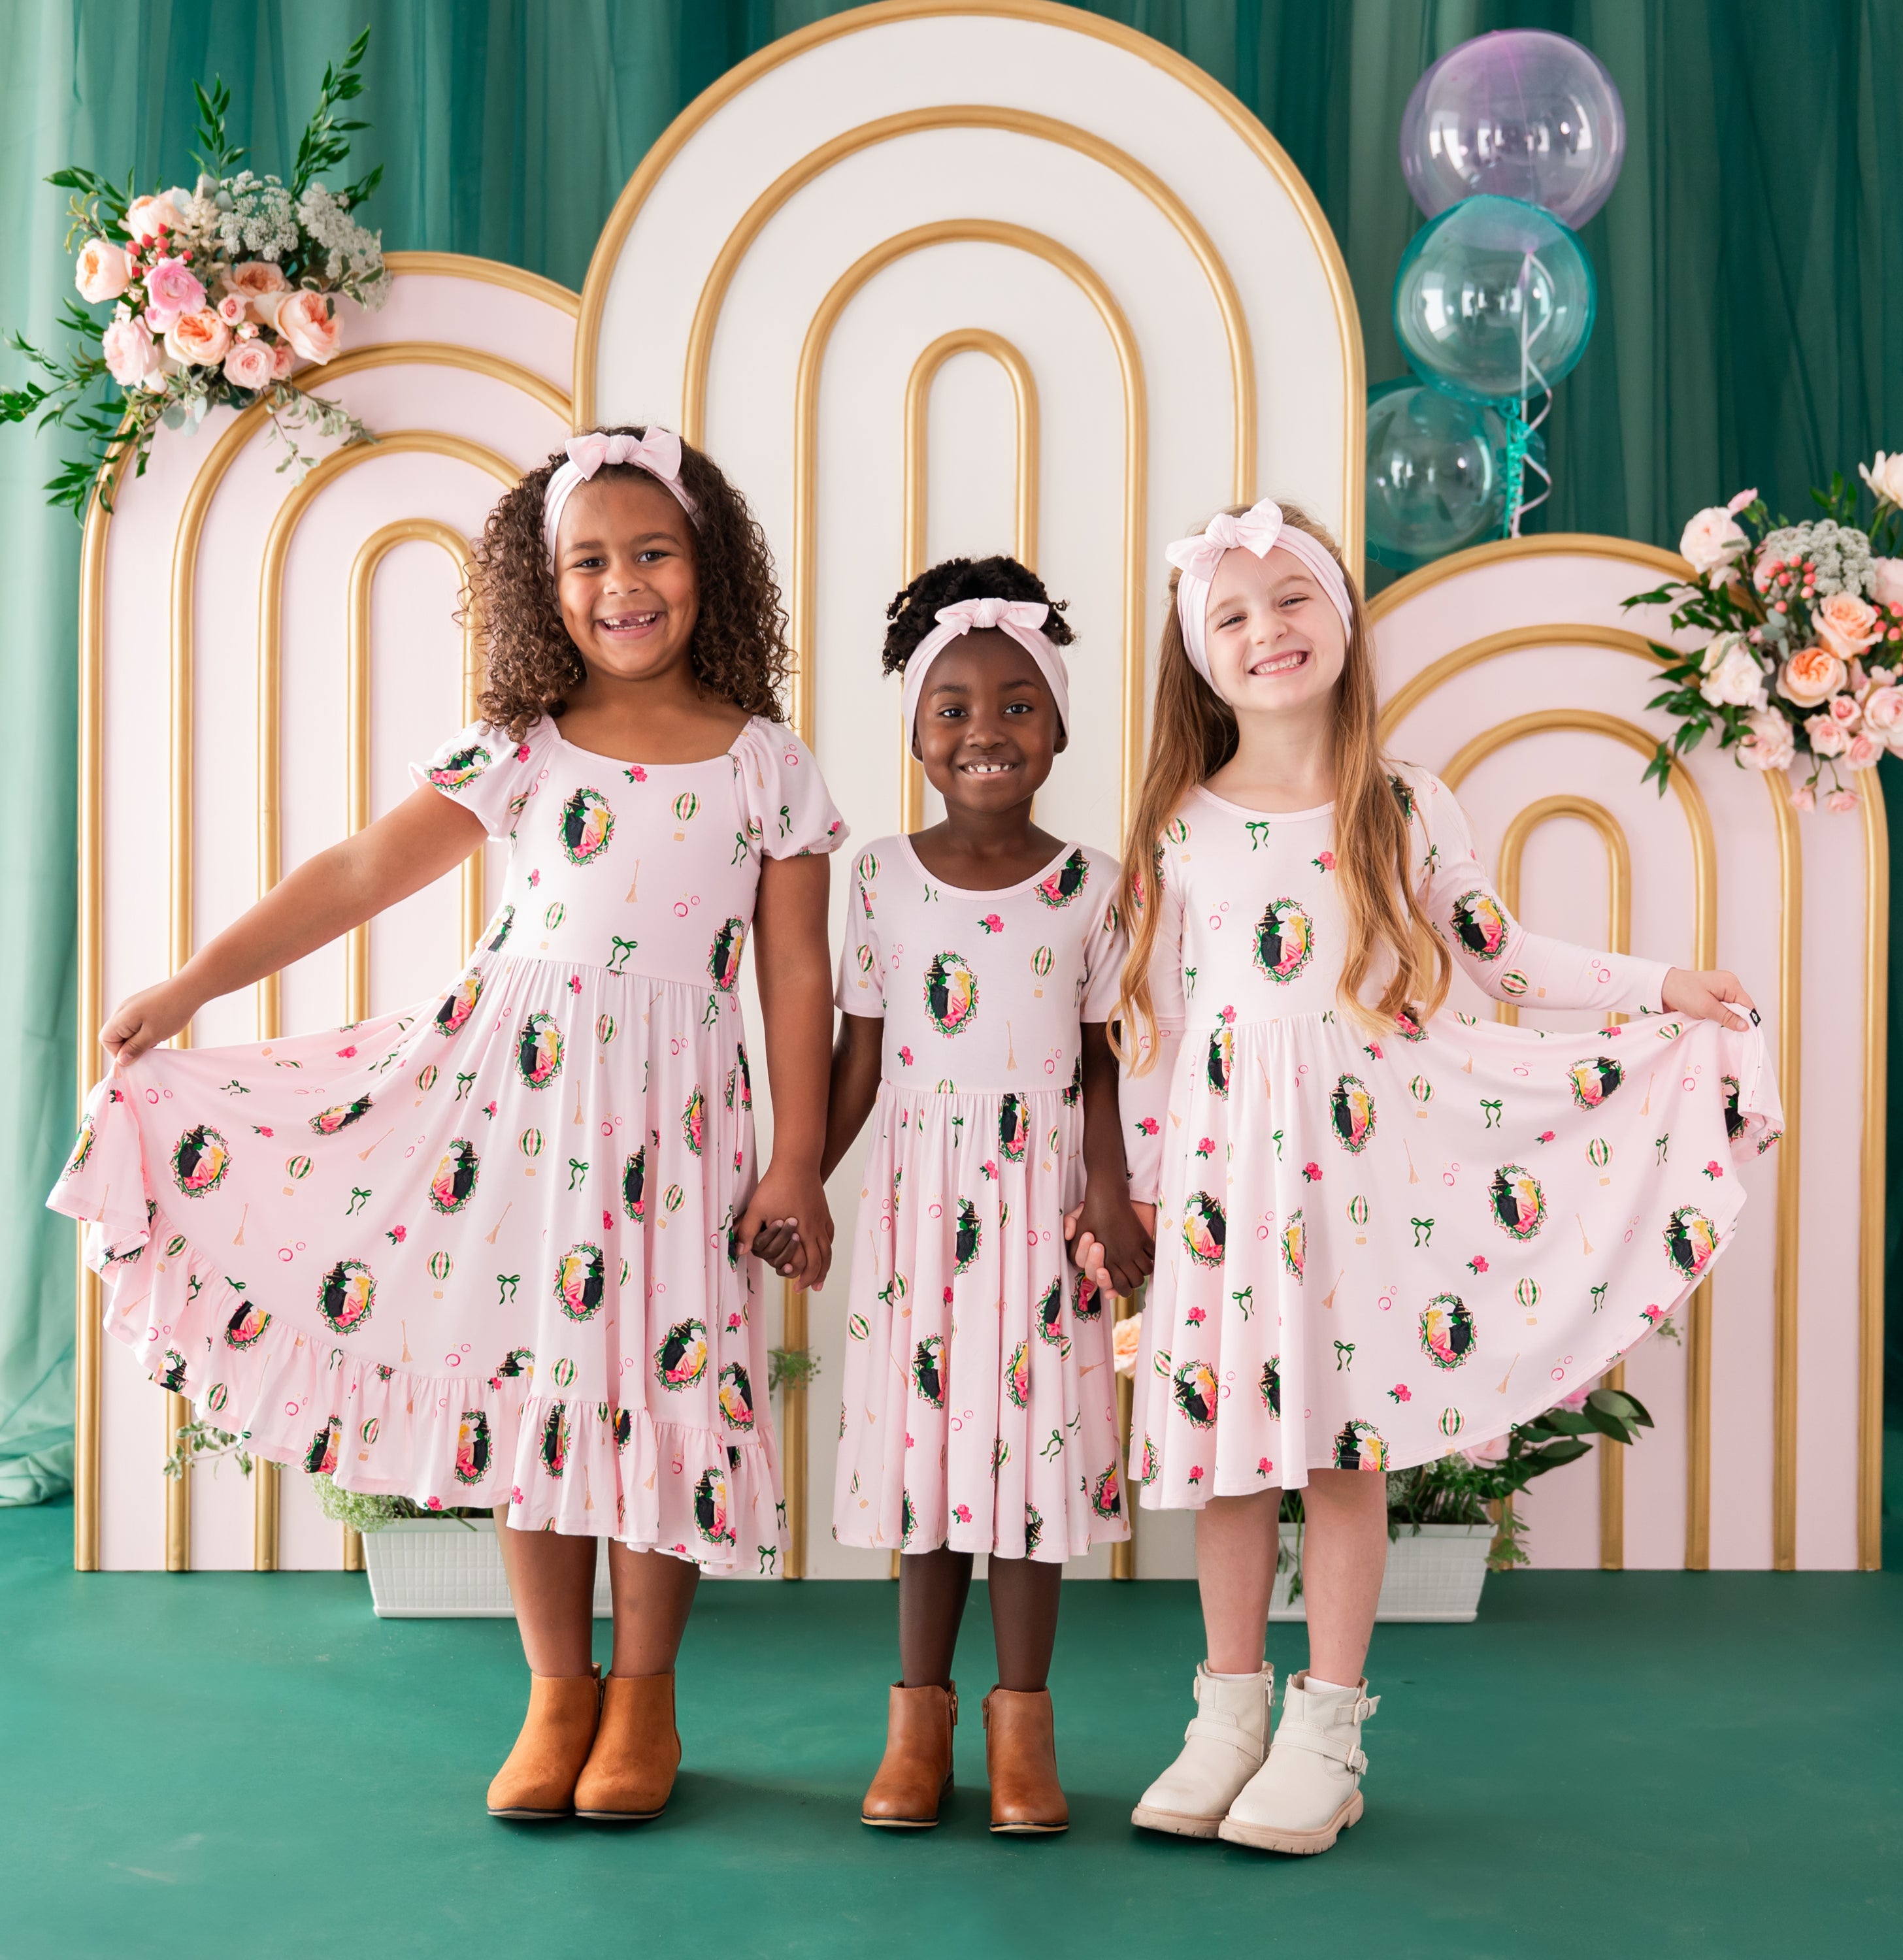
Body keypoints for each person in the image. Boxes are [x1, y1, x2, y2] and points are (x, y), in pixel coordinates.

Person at [50, 425, 847, 1825]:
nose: (623, 586)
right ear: (542, 588)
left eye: (652, 553)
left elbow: (795, 967)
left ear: (711, 568)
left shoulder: (766, 763)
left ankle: (644, 1700)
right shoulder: (519, 749)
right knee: (533, 1387)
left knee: (661, 1389)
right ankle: (556, 1693)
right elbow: (359, 870)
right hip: (516, 1109)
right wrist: (189, 986)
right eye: (586, 561)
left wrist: (794, 1154)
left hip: (678, 1128)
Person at [1073, 498, 1779, 1856]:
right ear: (1195, 654)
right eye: (1232, 614)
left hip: (1354, 1177)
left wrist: (1660, 987)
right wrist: (1145, 1190)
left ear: (1343, 618)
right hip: (1228, 1179)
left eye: (1293, 601)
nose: (1267, 631)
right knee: (1229, 1464)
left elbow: (1503, 958)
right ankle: (1224, 1719)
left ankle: (1325, 1732)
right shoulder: (1179, 821)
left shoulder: (1402, 802)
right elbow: (1154, 1022)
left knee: (1340, 1451)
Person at [759, 558, 1150, 1835]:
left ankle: (1023, 1732)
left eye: (1018, 704)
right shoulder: (878, 878)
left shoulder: (1097, 885)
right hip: (921, 1213)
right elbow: (859, 1061)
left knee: (1029, 1485)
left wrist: (1112, 1195)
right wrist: (801, 1179)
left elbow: (1101, 1064)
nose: (987, 728)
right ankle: (916, 1725)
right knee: (931, 1477)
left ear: (1062, 726)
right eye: (955, 708)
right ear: (917, 735)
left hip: (1043, 1214)